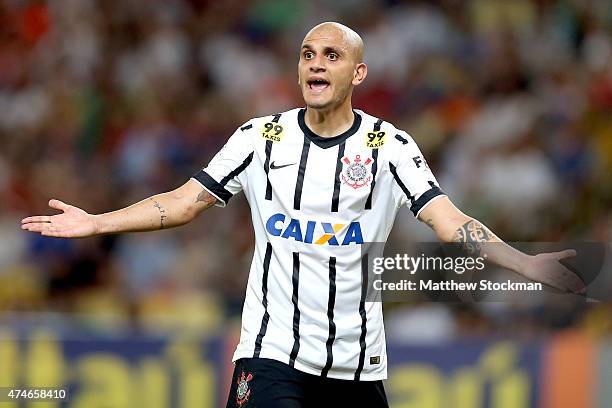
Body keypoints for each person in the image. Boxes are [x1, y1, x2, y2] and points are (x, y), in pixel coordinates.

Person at [22, 22, 584, 408]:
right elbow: (183, 202)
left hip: (358, 370)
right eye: (307, 55)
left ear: (357, 75)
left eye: (331, 56)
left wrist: (525, 263)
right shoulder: (260, 138)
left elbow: (446, 219)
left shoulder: (390, 147)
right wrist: (98, 222)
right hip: (272, 356)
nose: (315, 65)